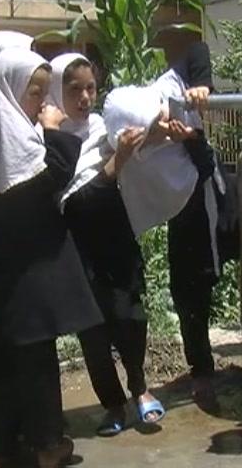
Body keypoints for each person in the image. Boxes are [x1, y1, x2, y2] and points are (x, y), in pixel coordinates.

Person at [0, 48, 103, 468]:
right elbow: (53, 176)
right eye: (35, 94)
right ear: (10, 91)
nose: (43, 104)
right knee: (34, 360)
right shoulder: (21, 138)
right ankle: (48, 443)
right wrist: (52, 131)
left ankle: (1, 445)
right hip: (26, 277)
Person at [51, 53, 165, 435]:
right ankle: (113, 405)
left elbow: (144, 136)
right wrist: (120, 159)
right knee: (93, 331)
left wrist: (161, 132)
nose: (85, 97)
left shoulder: (103, 128)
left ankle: (140, 387)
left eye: (90, 88)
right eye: (74, 89)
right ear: (57, 92)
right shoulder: (54, 138)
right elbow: (78, 193)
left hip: (115, 240)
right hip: (78, 249)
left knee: (131, 316)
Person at [152, 42, 224, 411]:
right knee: (189, 291)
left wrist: (202, 85)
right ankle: (202, 369)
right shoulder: (156, 102)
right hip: (181, 211)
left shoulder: (184, 96)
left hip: (210, 204)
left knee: (201, 284)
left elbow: (207, 167)